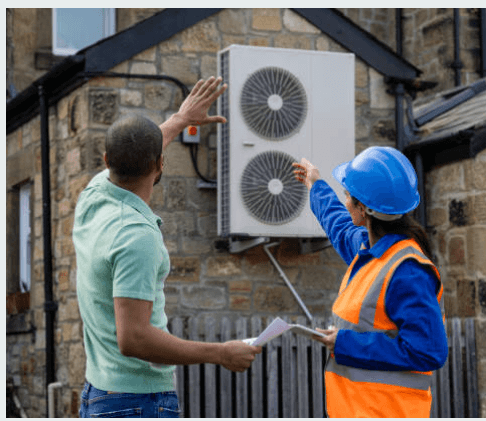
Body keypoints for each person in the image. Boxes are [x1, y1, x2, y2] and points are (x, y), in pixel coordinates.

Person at [73, 76, 262, 418]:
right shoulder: (136, 235)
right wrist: (220, 353)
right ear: (160, 165)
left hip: (101, 392)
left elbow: (139, 150)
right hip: (135, 404)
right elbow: (134, 339)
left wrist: (180, 119)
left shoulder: (94, 195)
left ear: (105, 160)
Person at [293, 146, 448, 418]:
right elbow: (339, 226)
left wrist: (344, 343)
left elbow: (428, 352)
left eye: (347, 196)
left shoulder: (408, 271)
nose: (345, 202)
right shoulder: (370, 251)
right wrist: (315, 184)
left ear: (362, 209)